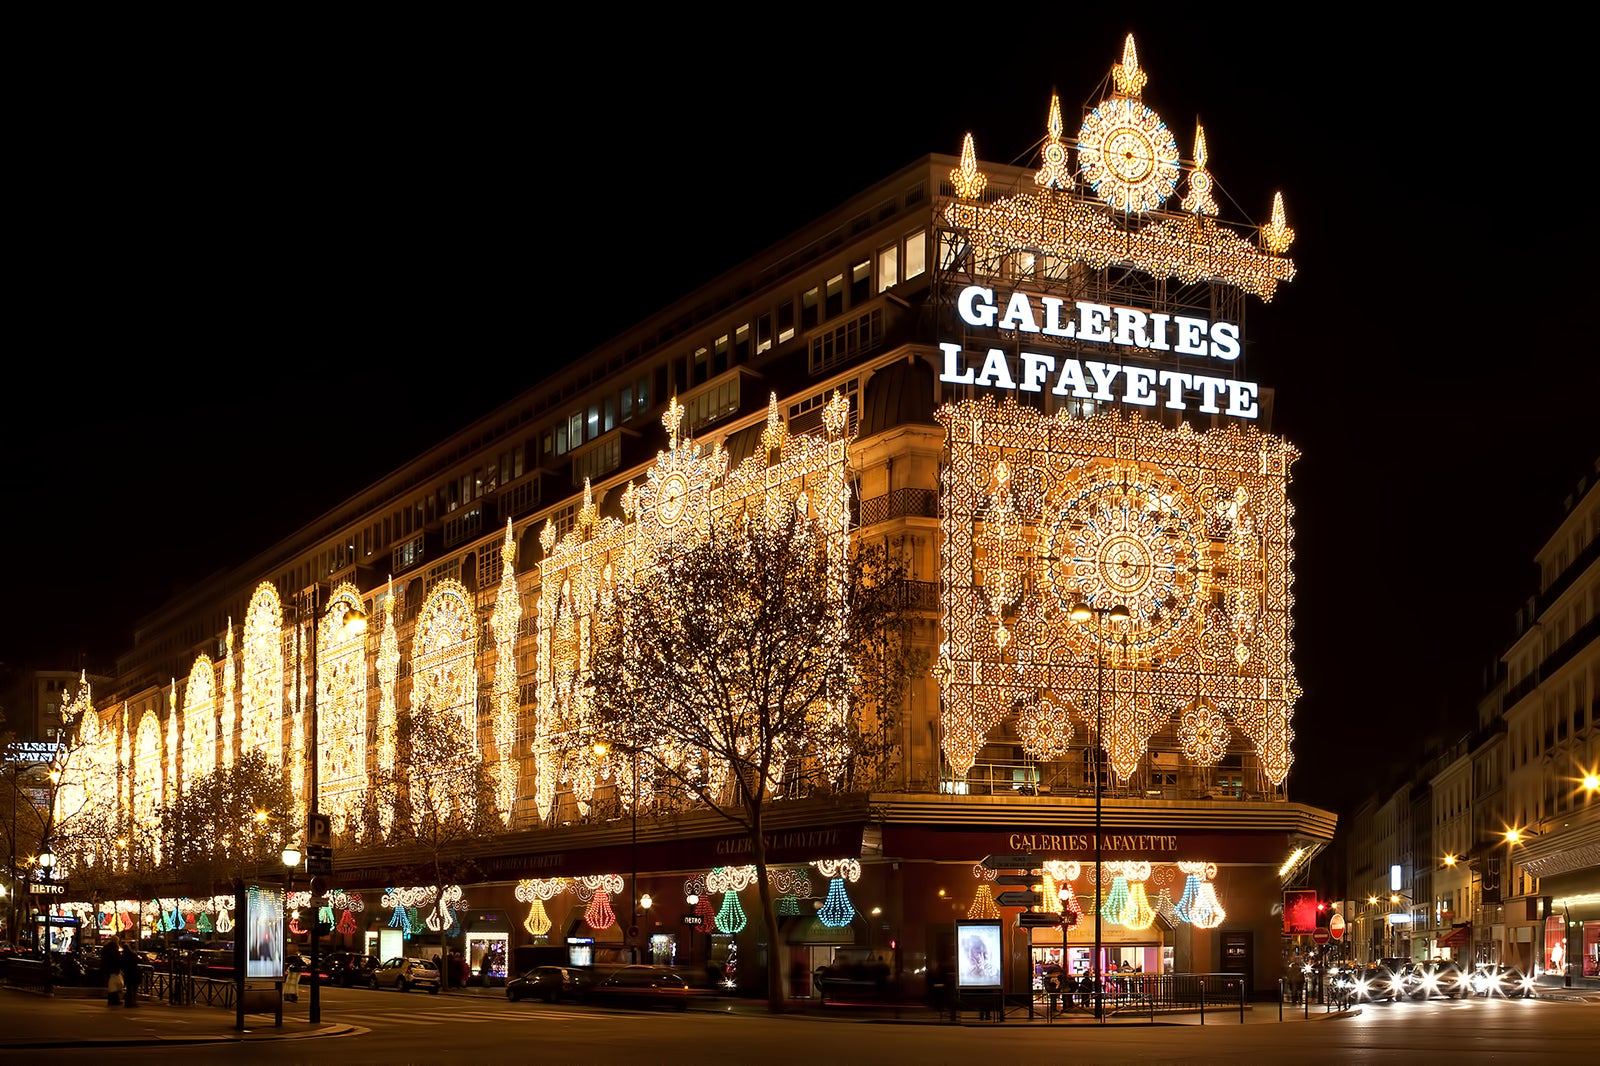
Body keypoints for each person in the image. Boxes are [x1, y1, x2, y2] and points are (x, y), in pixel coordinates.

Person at [100, 935, 123, 1007]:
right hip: (113, 969)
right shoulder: (114, 948)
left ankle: (112, 1000)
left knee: (111, 985)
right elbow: (117, 959)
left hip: (107, 968)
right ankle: (114, 1000)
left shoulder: (106, 948)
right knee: (114, 985)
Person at [121, 941, 142, 1007]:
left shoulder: (123, 955)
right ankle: (133, 1002)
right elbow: (138, 961)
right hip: (133, 973)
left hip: (127, 974)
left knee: (129, 989)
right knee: (133, 989)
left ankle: (128, 1002)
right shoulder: (132, 954)